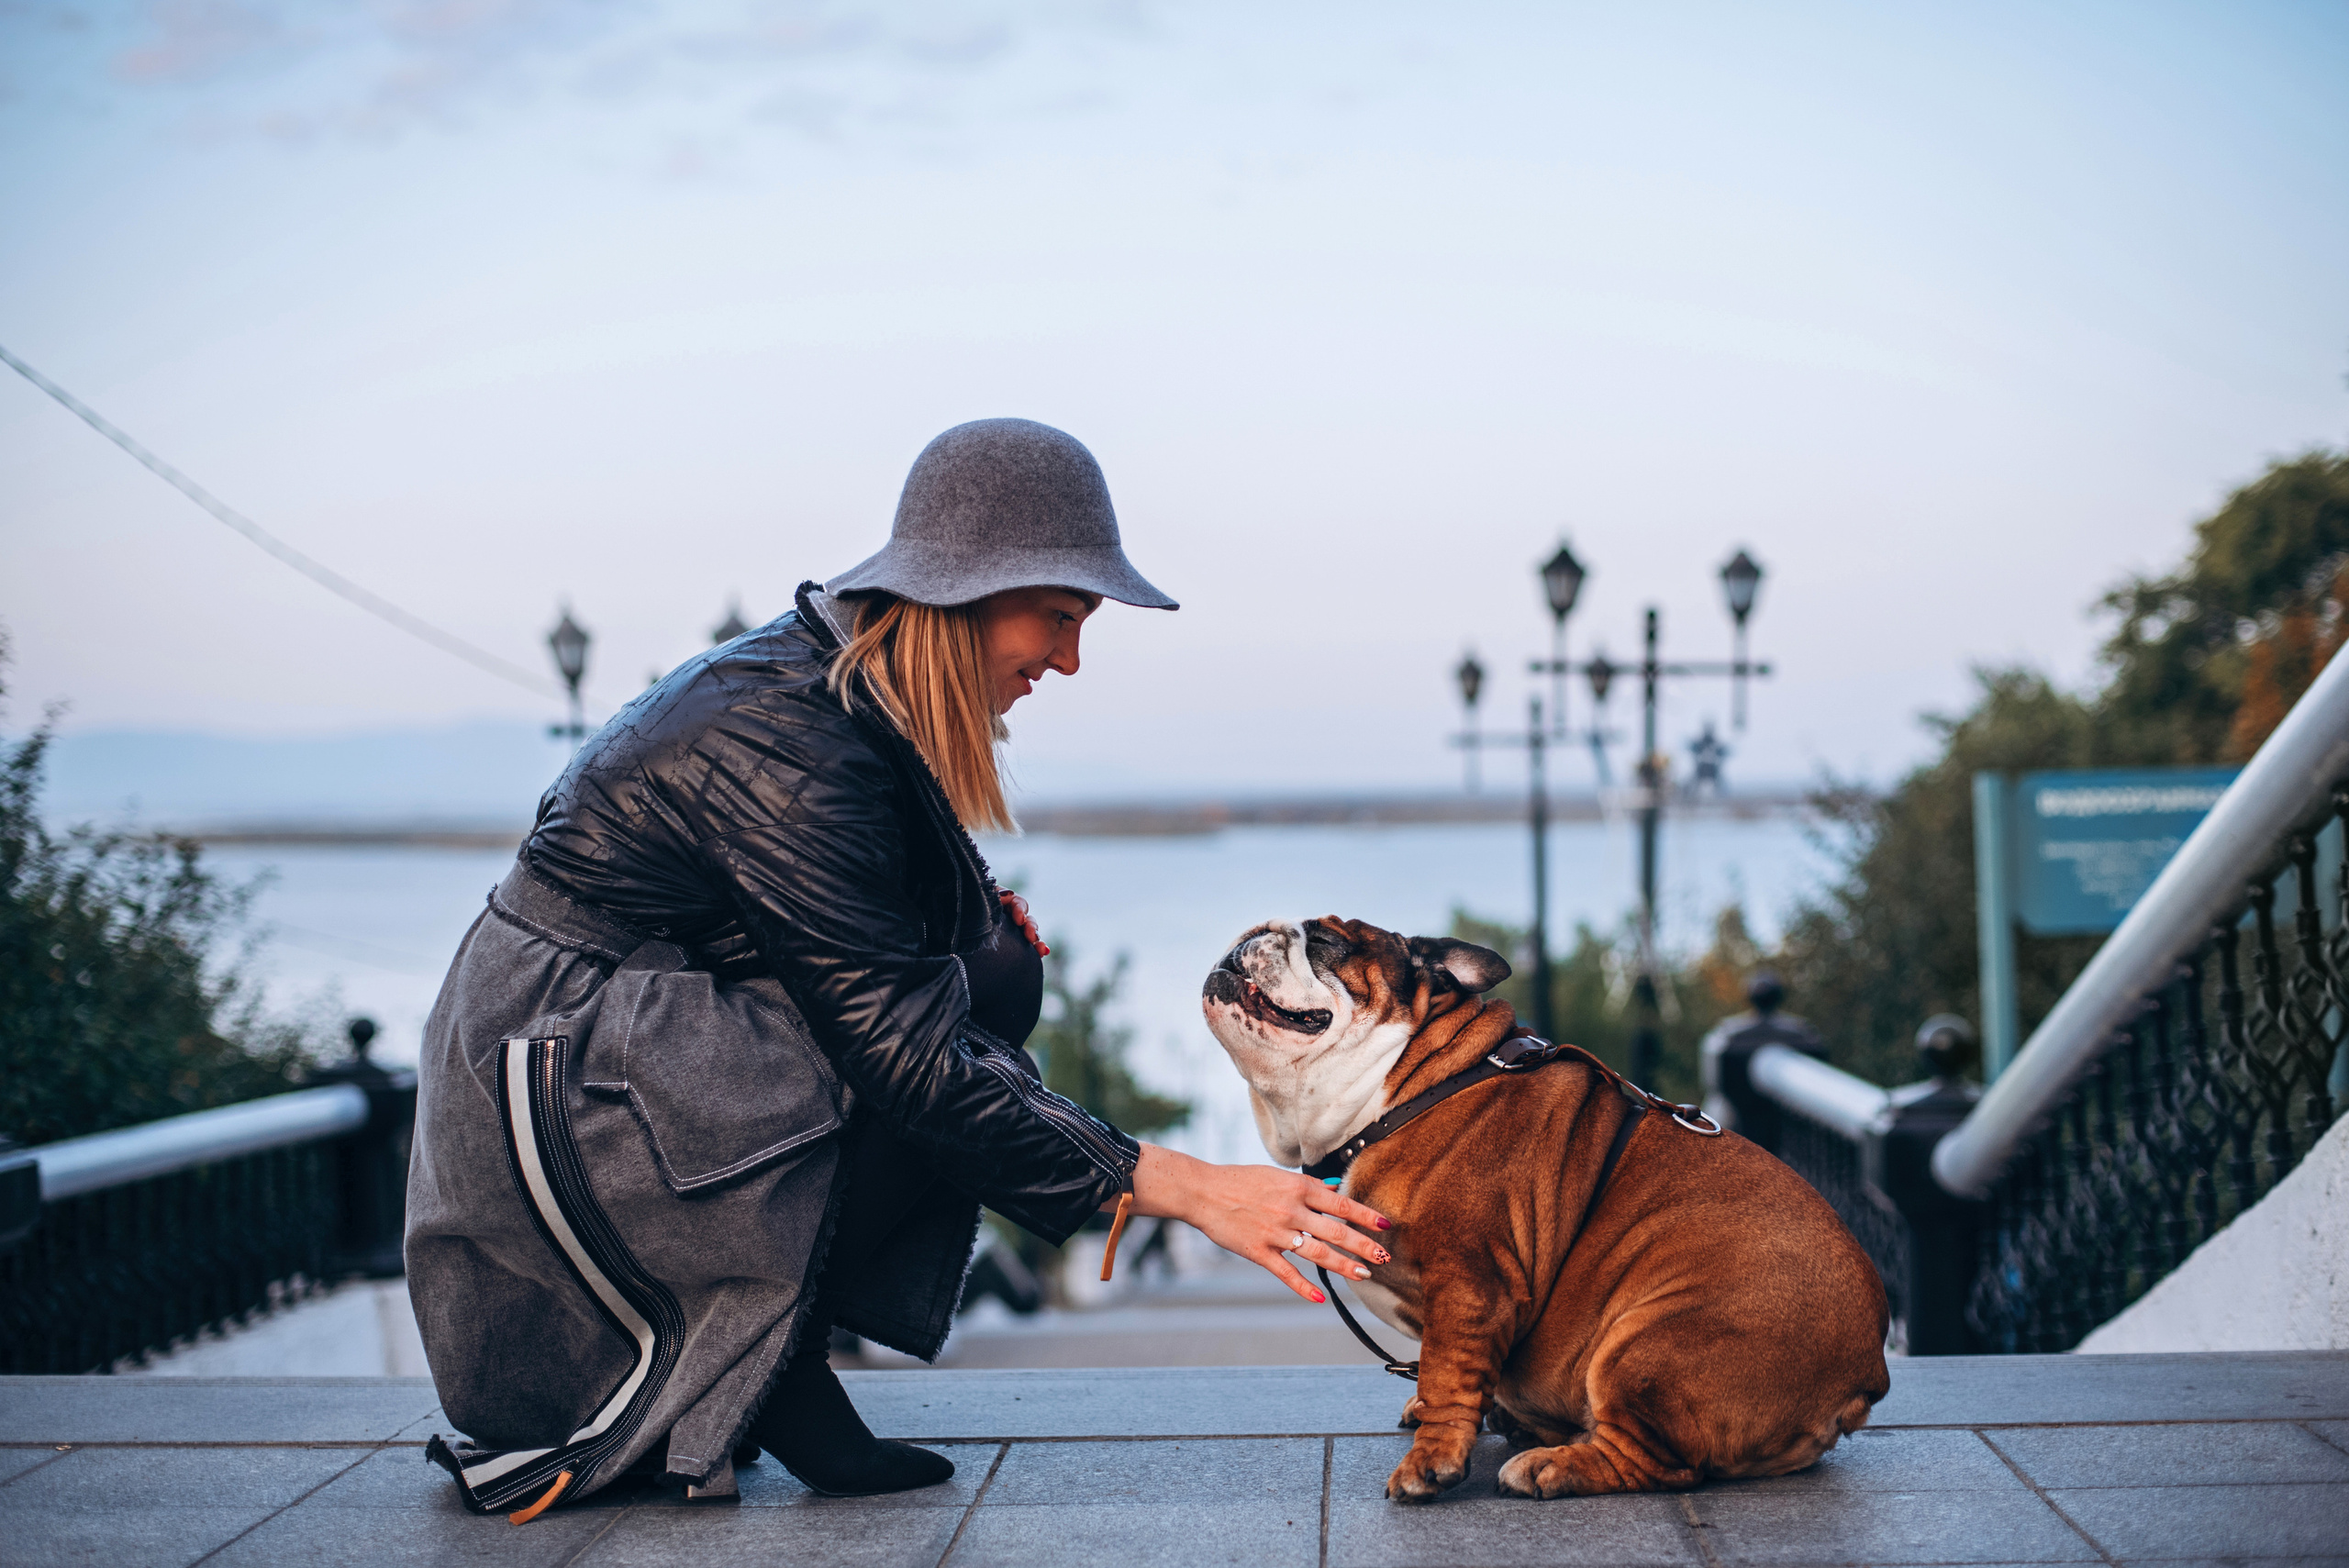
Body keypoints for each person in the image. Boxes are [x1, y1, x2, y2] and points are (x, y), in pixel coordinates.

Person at [404, 417, 1391, 1518]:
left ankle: (782, 1359)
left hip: (605, 1039)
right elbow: (912, 1063)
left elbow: (908, 984)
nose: (1067, 660)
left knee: (994, 971)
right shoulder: (794, 745)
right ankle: (767, 1365)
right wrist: (1192, 1187)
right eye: (1060, 617)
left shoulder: (830, 697)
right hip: (550, 1084)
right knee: (945, 1031)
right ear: (967, 590)